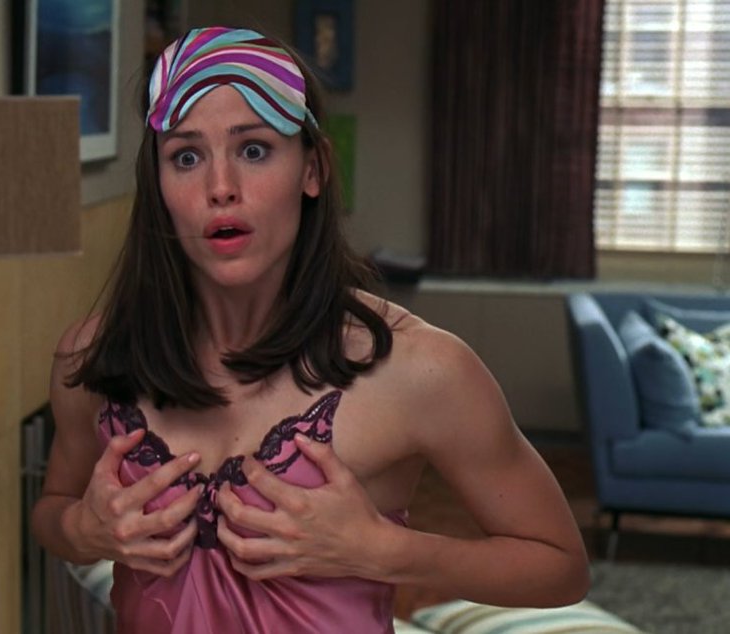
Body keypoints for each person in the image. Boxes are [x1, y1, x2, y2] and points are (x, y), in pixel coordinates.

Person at [30, 26, 589, 633]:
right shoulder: (92, 357)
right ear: (158, 186)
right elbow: (53, 512)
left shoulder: (421, 370)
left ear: (313, 168)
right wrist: (82, 530)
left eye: (254, 150)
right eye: (186, 157)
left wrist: (383, 551)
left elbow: (559, 566)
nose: (221, 188)